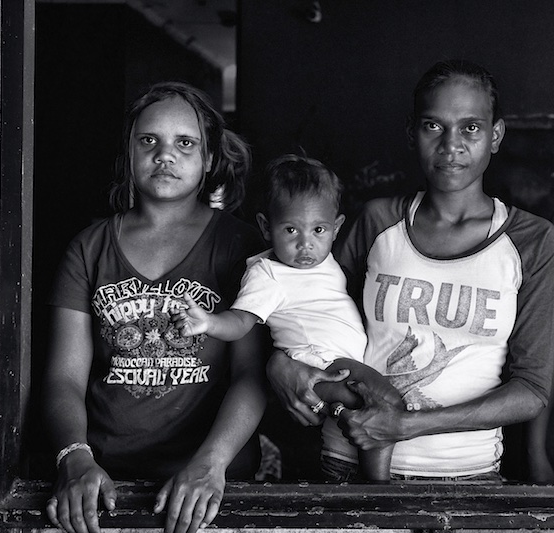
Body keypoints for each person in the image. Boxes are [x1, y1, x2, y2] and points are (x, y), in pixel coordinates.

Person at [266, 59, 554, 481]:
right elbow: (303, 301)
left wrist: (405, 426)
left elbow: (531, 390)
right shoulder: (378, 221)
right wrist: (281, 364)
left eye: (470, 127)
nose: (451, 144)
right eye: (433, 126)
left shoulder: (533, 240)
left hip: (466, 477)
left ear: (495, 136)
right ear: (411, 132)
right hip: (344, 466)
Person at [42, 81, 267, 533]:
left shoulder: (241, 246)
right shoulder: (89, 248)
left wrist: (211, 464)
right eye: (149, 140)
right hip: (106, 485)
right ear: (129, 152)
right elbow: (63, 378)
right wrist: (75, 457)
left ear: (209, 159)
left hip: (213, 485)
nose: (165, 155)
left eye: (185, 143)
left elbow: (251, 375)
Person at [172, 154, 403, 481]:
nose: (305, 244)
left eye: (318, 230)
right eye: (291, 229)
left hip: (337, 361)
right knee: (385, 403)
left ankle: (376, 486)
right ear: (267, 227)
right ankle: (379, 488)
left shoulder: (324, 260)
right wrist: (209, 323)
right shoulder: (268, 274)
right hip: (316, 364)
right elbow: (241, 321)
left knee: (383, 406)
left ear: (336, 228)